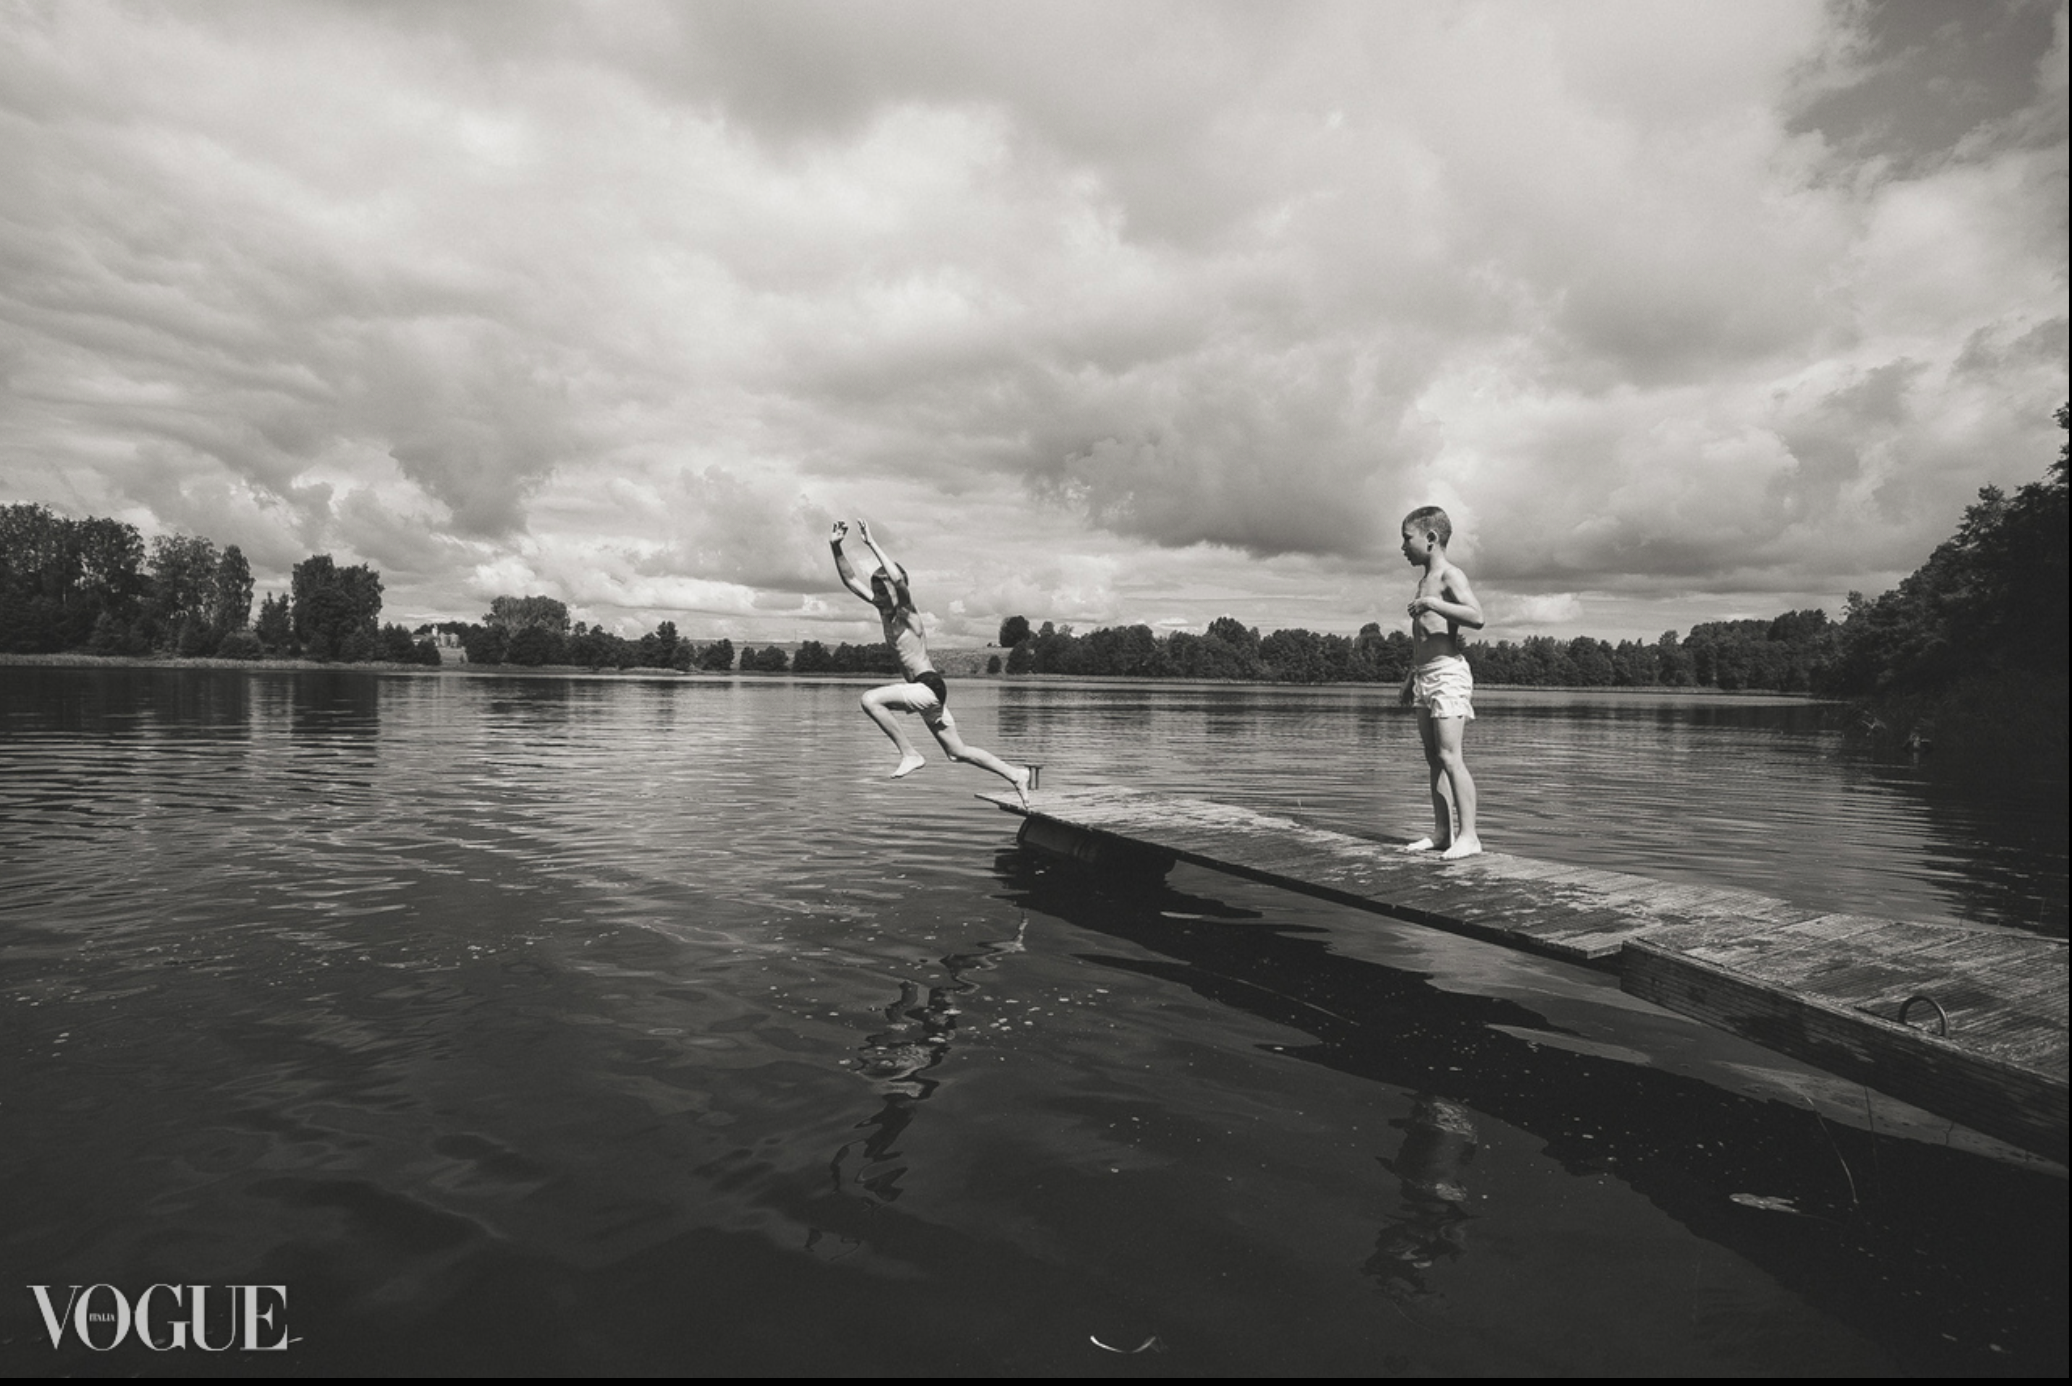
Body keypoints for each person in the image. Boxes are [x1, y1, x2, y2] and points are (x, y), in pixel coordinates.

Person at [830, 520, 1032, 806]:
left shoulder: (908, 614)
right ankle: (1016, 774)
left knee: (870, 700)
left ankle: (910, 753)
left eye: (881, 591)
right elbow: (851, 581)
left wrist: (872, 544)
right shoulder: (883, 610)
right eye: (875, 591)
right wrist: (835, 546)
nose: (876, 596)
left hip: (929, 685)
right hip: (925, 690)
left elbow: (898, 581)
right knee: (956, 752)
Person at [1397, 505, 1485, 858]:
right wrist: (1409, 679)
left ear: (1430, 538)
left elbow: (1477, 617)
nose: (1402, 547)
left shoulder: (1450, 576)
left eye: (1407, 539)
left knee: (1451, 756)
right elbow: (1424, 639)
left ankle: (1470, 837)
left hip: (1449, 674)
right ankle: (1442, 833)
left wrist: (1434, 602)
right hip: (1424, 676)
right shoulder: (1423, 581)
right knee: (1433, 758)